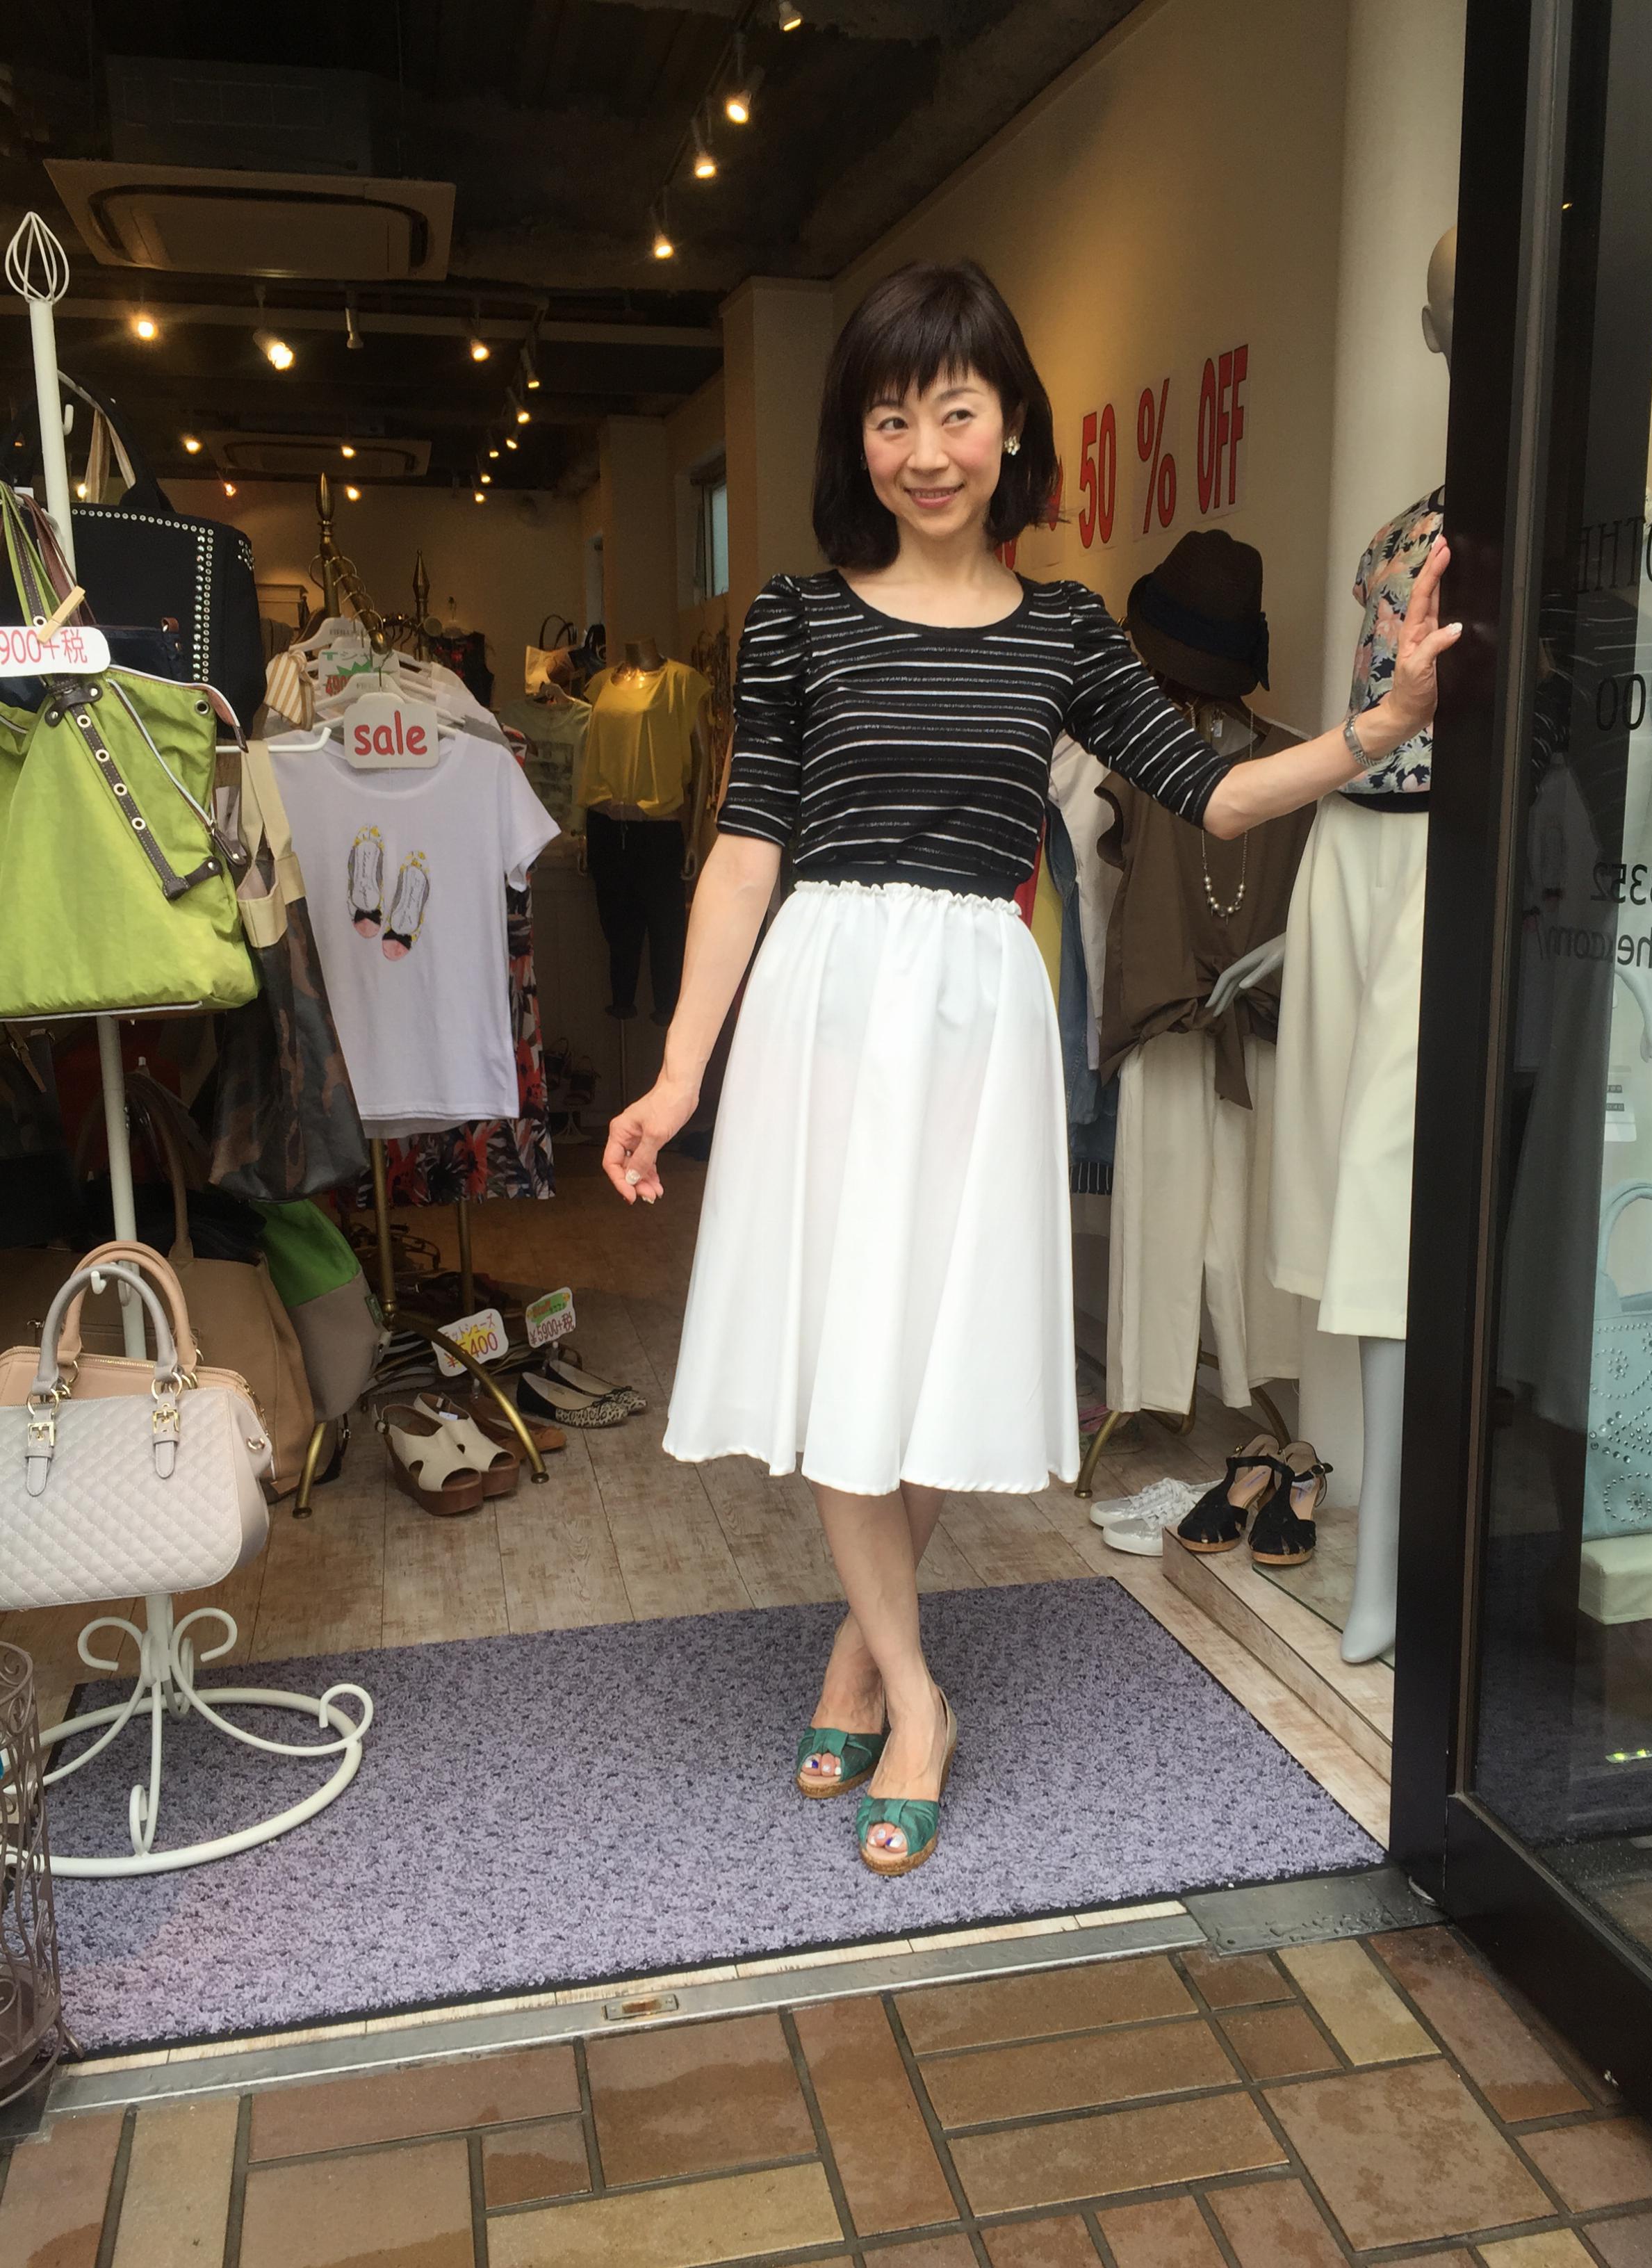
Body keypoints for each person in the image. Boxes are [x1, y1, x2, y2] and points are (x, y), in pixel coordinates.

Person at [603, 259, 1457, 1878]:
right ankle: (916, 1694)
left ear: (1009, 429)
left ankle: (860, 1650)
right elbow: (745, 850)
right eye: (890, 417)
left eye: (955, 411)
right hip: (825, 1002)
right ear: (856, 438)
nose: (925, 450)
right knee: (846, 1355)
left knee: (935, 1345)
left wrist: (1382, 724)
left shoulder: (1065, 628)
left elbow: (1212, 792)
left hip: (978, 1013)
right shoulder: (794, 617)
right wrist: (679, 1070)